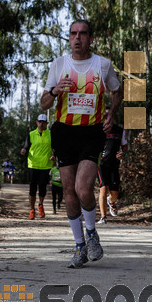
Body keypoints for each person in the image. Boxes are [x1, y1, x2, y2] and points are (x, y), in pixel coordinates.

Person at [40, 19, 122, 267]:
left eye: (83, 34)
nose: (77, 38)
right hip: (64, 132)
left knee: (83, 188)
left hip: (91, 132)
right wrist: (54, 92)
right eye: (73, 34)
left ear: (91, 38)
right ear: (69, 38)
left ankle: (92, 234)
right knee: (69, 193)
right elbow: (44, 103)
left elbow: (117, 91)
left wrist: (112, 112)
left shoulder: (103, 65)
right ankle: (79, 247)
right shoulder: (59, 65)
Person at [20, 114, 52, 219]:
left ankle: (41, 206)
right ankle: (32, 209)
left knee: (42, 188)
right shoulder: (31, 134)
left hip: (45, 165)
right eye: (39, 121)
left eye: (43, 122)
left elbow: (55, 147)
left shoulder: (51, 134)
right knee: (32, 189)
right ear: (36, 122)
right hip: (33, 165)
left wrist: (54, 155)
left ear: (47, 123)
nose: (41, 124)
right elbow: (26, 145)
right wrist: (24, 150)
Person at [98, 124, 128, 224]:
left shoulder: (119, 130)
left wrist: (123, 153)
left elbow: (124, 146)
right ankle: (103, 217)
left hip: (114, 164)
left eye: (108, 115)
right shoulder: (98, 128)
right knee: (103, 188)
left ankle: (110, 201)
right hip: (101, 164)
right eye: (105, 116)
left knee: (115, 193)